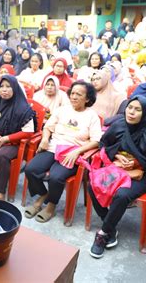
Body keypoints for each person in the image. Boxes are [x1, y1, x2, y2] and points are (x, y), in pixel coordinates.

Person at [88, 96, 146, 258]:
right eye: (130, 108)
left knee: (122, 194)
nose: (132, 112)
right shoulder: (119, 125)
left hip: (144, 175)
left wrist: (140, 165)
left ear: (145, 113)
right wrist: (115, 157)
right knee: (92, 184)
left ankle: (103, 233)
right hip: (119, 170)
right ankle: (111, 227)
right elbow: (104, 144)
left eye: (137, 109)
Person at [24, 81, 102, 222]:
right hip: (53, 147)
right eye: (72, 93)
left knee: (56, 176)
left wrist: (77, 151)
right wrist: (45, 139)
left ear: (88, 98)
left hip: (72, 152)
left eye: (79, 94)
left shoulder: (92, 116)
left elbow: (96, 140)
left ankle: (51, 205)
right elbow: (48, 127)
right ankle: (43, 194)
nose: (74, 97)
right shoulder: (62, 110)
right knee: (31, 169)